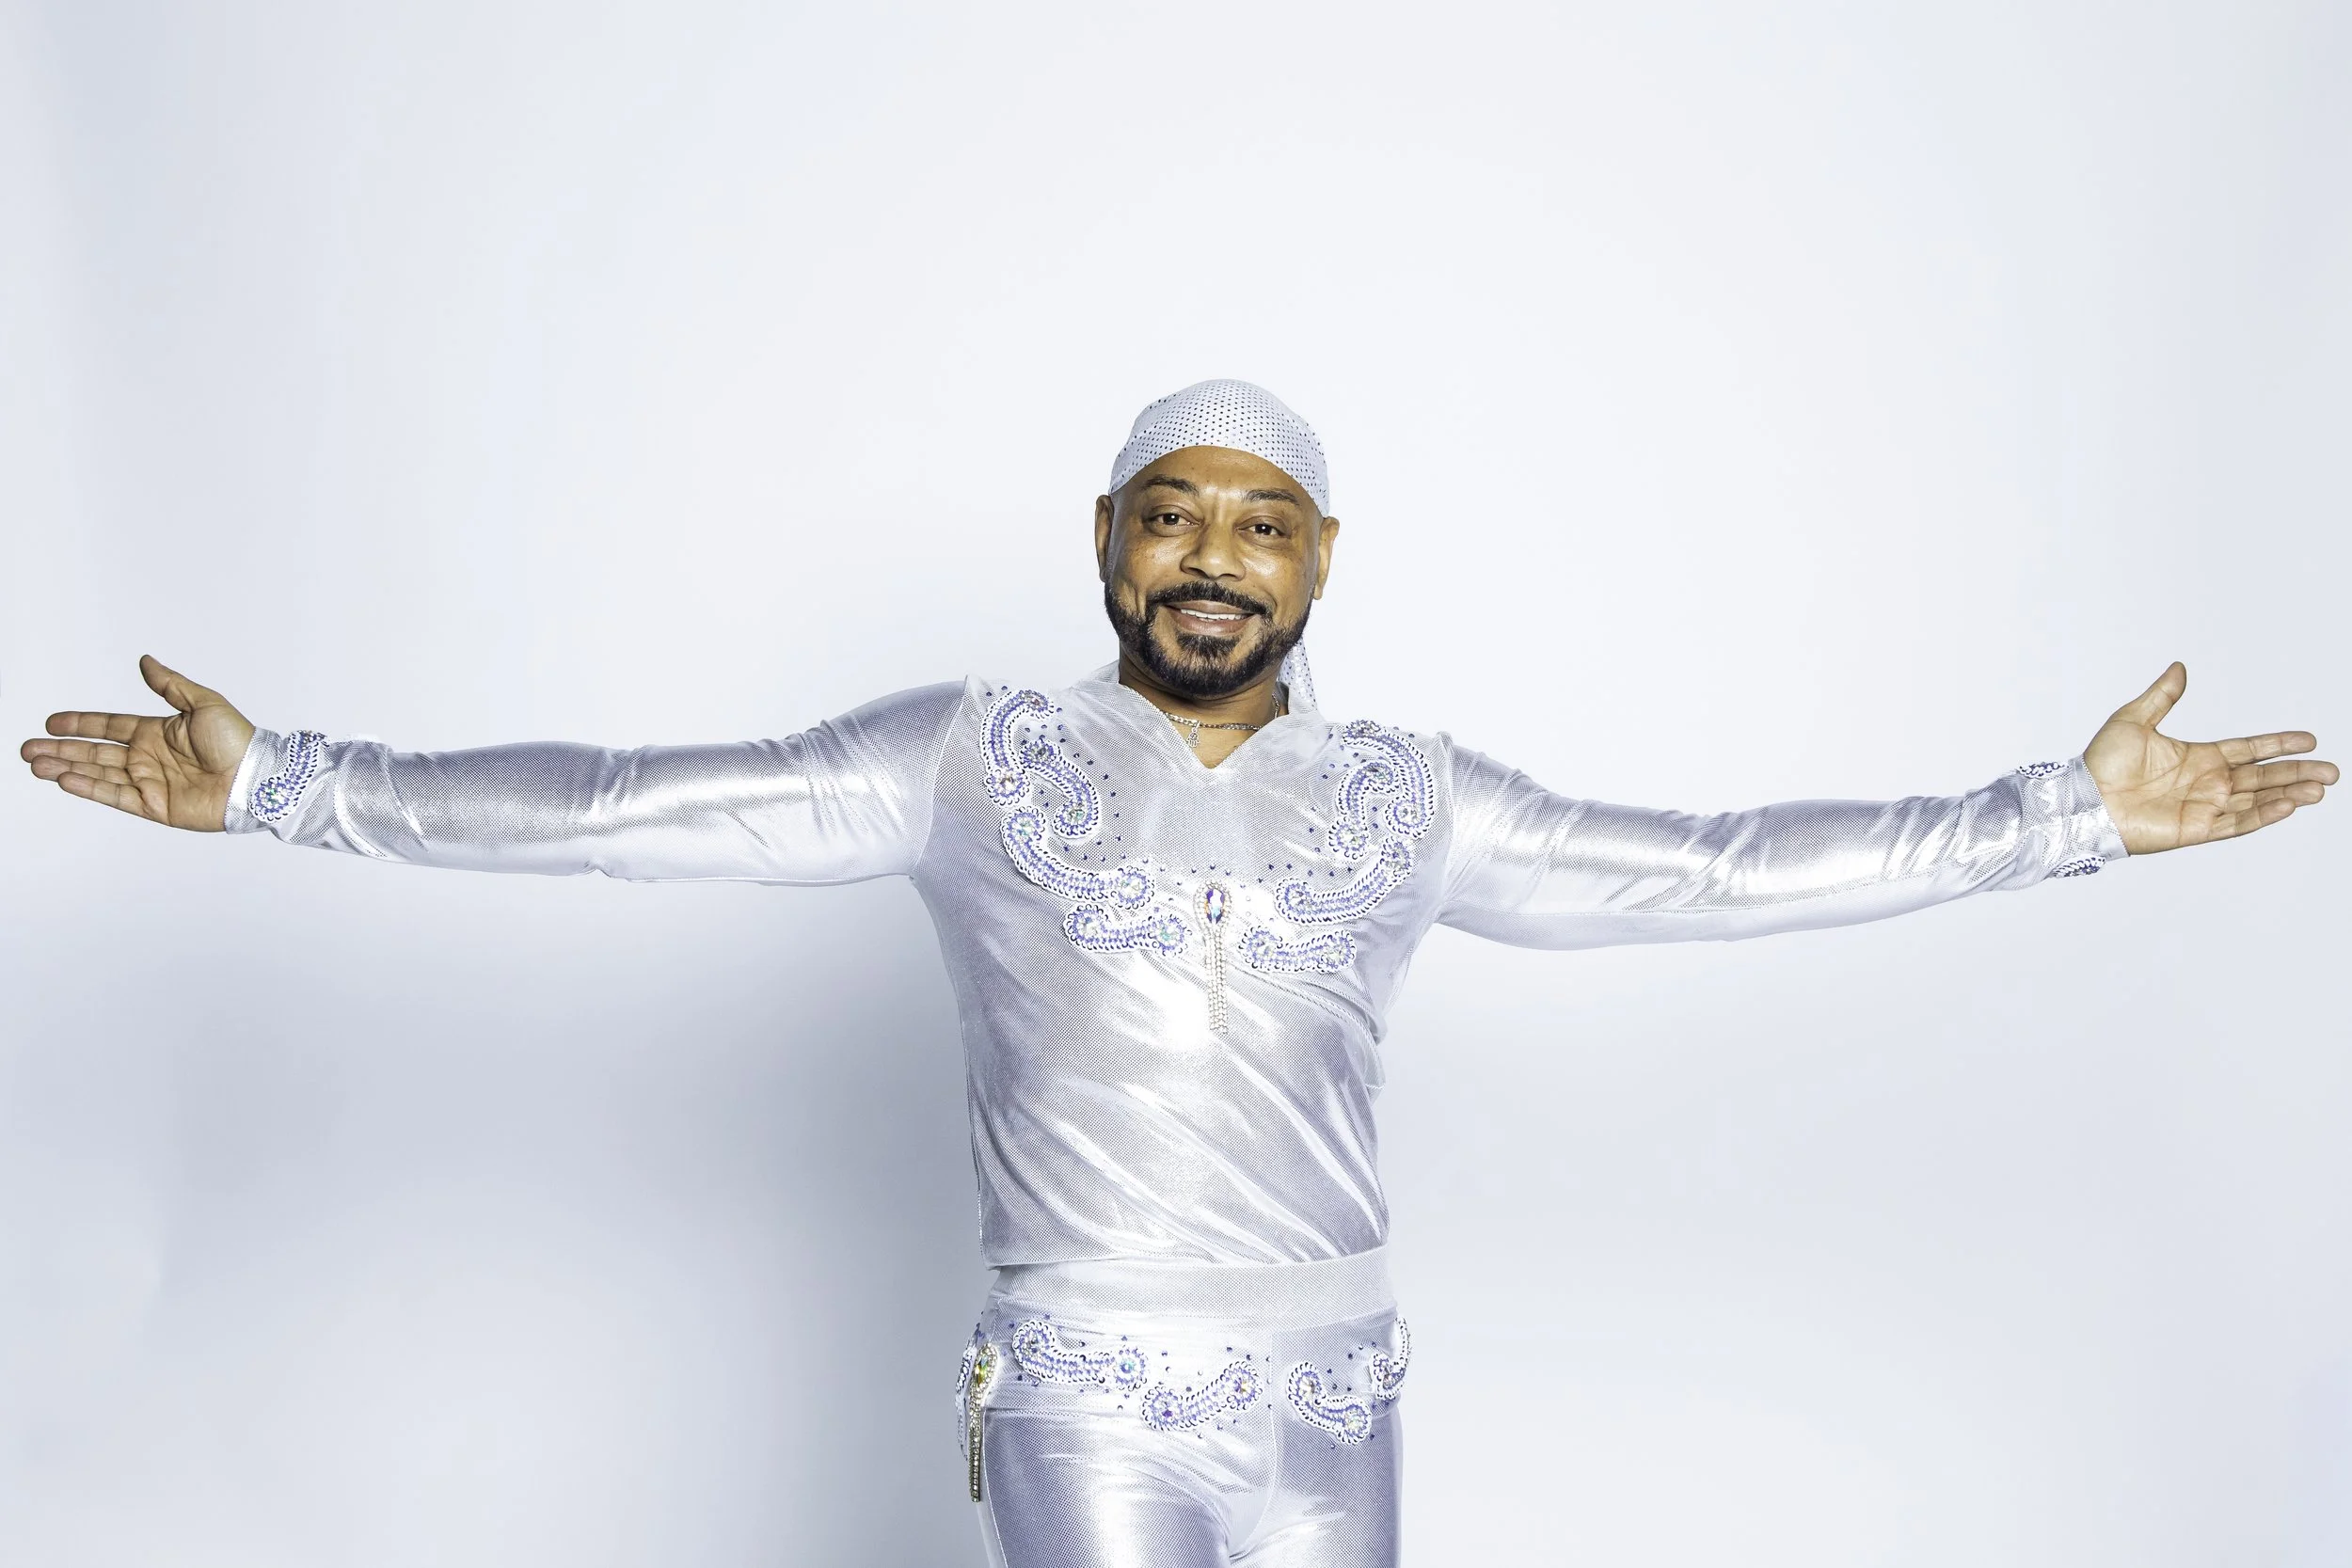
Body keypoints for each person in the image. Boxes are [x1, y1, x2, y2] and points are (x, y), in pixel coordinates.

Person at [20, 380, 2335, 1567]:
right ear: (1105, 545)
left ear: (1322, 558)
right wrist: (291, 782)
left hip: (1341, 1392)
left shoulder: (1416, 797)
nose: (1207, 557)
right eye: (1166, 510)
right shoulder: (965, 760)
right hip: (1085, 1393)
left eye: (1257, 519)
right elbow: (634, 796)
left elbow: (1717, 864)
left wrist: (2056, 813)